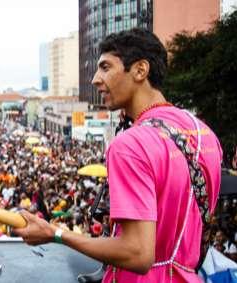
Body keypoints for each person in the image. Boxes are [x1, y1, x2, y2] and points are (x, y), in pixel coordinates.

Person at [14, 28, 223, 282]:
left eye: (105, 67)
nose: (95, 79)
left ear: (140, 70)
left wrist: (56, 233)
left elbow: (137, 254)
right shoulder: (204, 134)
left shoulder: (130, 144)